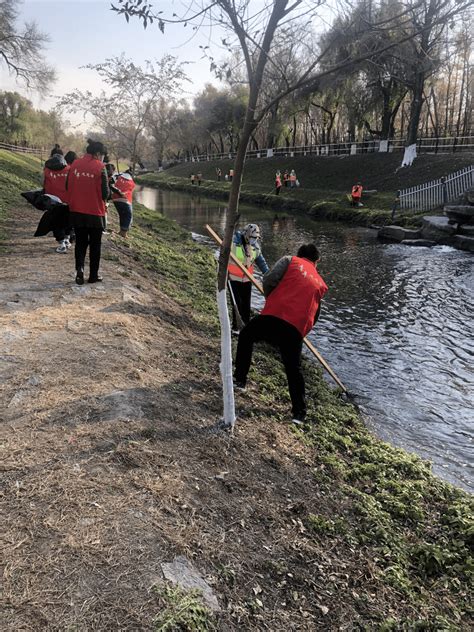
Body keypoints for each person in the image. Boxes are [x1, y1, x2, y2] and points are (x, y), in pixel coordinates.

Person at [234, 243, 328, 425]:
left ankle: (240, 380)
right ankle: (299, 414)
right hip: (295, 328)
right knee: (294, 368)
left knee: (246, 336)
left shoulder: (290, 261)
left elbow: (269, 278)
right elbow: (315, 314)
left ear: (299, 254)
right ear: (317, 261)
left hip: (275, 314)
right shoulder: (320, 282)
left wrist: (271, 298)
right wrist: (301, 332)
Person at [66, 139, 109, 285]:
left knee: (81, 243)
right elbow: (105, 193)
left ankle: (80, 270)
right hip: (95, 213)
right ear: (98, 153)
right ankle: (93, 275)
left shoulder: (75, 164)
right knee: (95, 245)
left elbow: (67, 185)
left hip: (77, 211)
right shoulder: (100, 167)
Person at [228, 223, 269, 333]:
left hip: (247, 279)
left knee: (246, 304)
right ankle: (236, 327)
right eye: (252, 237)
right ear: (246, 234)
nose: (254, 240)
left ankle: (245, 327)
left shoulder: (255, 247)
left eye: (256, 238)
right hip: (232, 278)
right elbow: (224, 255)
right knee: (237, 303)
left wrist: (268, 275)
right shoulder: (234, 242)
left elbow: (262, 263)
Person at [43, 151, 71, 253]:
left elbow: (44, 184)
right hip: (68, 201)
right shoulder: (69, 169)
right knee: (67, 221)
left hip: (52, 201)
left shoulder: (47, 170)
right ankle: (67, 239)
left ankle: (62, 243)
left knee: (56, 223)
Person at [111, 167, 135, 238]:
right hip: (125, 199)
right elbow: (131, 191)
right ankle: (124, 233)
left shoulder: (118, 175)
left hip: (115, 198)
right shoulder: (131, 181)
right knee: (128, 216)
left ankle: (121, 231)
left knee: (122, 214)